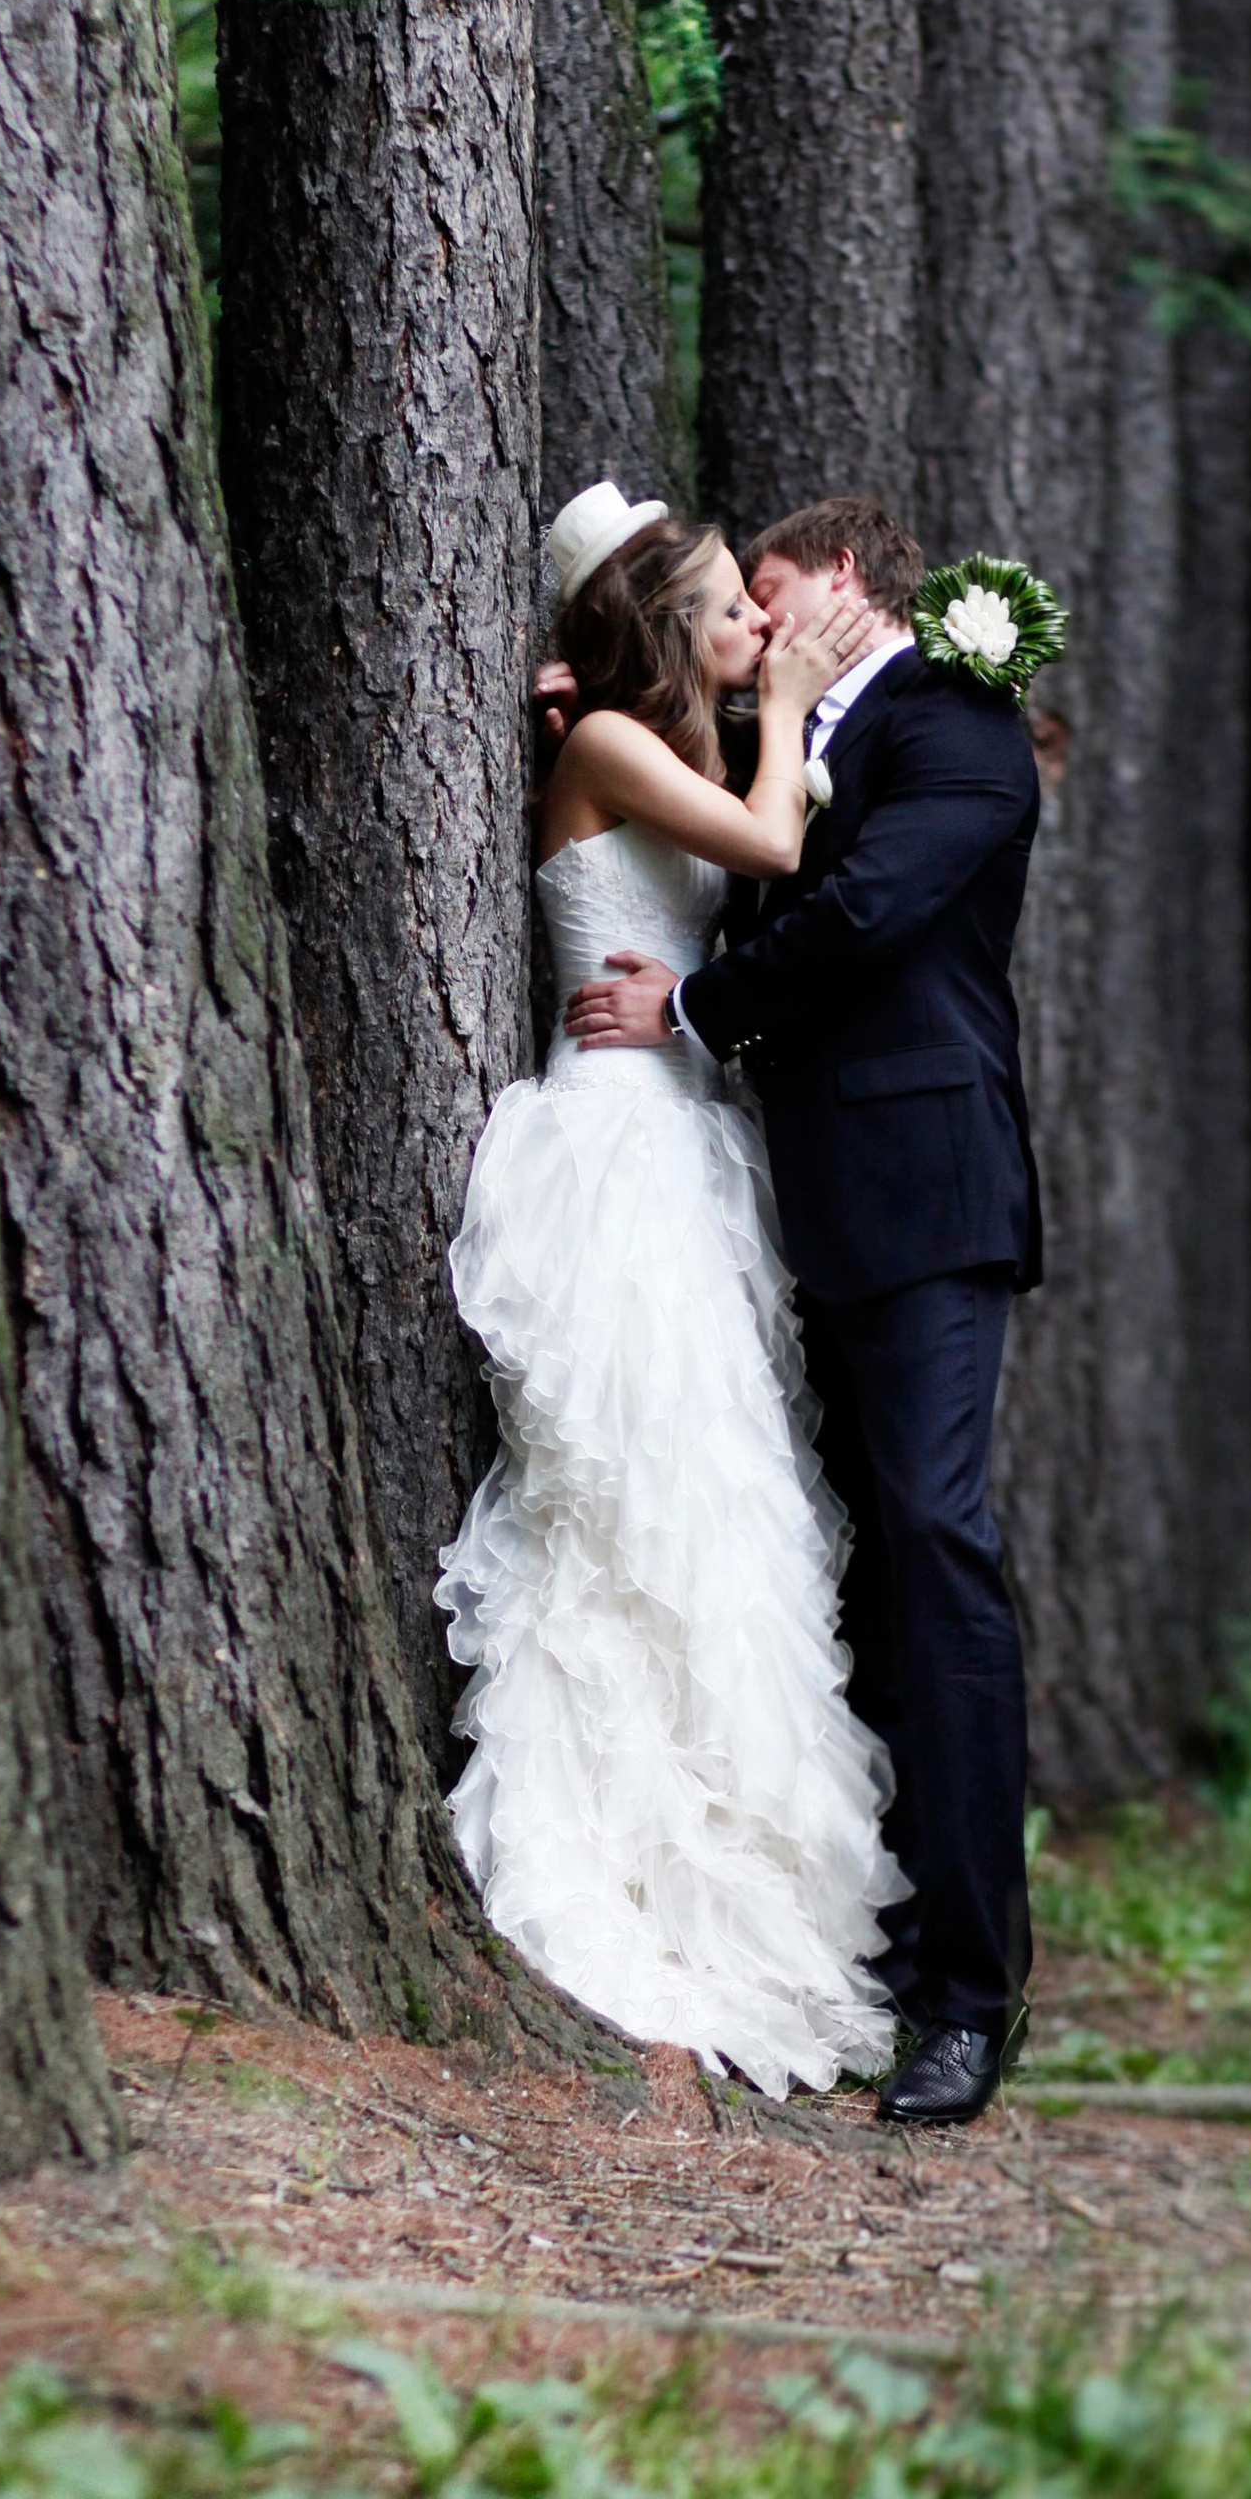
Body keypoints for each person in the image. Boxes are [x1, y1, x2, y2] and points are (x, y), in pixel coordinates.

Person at [559, 495, 1044, 2129]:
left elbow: (863, 913)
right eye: (736, 611)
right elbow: (703, 809)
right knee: (844, 1575)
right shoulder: (787, 734)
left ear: (841, 582)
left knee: (934, 1543)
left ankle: (972, 1994)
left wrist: (690, 1004)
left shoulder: (957, 726)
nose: (757, 629)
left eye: (769, 597)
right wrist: (592, 709)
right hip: (786, 1218)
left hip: (926, 1200)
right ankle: (876, 1940)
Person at [437, 480, 903, 2100]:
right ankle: (608, 1855)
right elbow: (775, 836)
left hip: (693, 1146)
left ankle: (726, 1850)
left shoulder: (663, 742)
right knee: (624, 1502)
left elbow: (779, 850)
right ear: (660, 628)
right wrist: (779, 710)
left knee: (721, 1499)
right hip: (614, 1155)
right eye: (720, 611)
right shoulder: (619, 752)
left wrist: (783, 709)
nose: (748, 629)